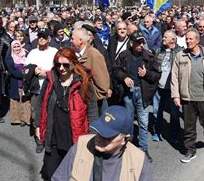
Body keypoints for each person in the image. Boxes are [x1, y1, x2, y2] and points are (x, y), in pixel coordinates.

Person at [45, 105, 156, 181]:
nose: (99, 138)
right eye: (99, 131)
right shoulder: (82, 145)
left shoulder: (139, 160)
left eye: (107, 137)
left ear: (124, 139)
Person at [34, 47, 98, 181]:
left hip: (75, 136)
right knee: (50, 174)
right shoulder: (50, 81)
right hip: (53, 135)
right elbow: (40, 103)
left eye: (65, 65)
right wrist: (37, 125)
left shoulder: (84, 83)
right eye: (58, 65)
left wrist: (92, 134)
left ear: (73, 64)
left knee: (74, 176)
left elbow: (92, 110)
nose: (61, 68)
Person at [171, 28, 204, 163]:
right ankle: (190, 150)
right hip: (188, 98)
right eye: (186, 39)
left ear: (197, 40)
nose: (188, 41)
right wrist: (176, 95)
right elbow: (174, 77)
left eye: (190, 39)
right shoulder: (180, 56)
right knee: (189, 127)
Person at [113, 31, 160, 163]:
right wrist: (124, 77)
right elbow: (115, 70)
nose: (141, 45)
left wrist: (146, 74)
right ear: (131, 43)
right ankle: (127, 148)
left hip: (143, 93)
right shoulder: (124, 55)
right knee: (128, 122)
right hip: (128, 93)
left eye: (142, 42)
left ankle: (143, 149)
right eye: (138, 42)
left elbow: (157, 75)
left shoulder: (149, 56)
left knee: (143, 122)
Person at [25, 28, 58, 153]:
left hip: (51, 87)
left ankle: (49, 137)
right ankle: (39, 139)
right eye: (40, 37)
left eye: (44, 37)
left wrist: (48, 73)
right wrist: (34, 70)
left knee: (51, 112)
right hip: (37, 88)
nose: (41, 39)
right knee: (36, 113)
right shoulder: (33, 52)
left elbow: (60, 66)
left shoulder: (54, 51)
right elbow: (26, 67)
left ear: (49, 39)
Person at [153, 30, 183, 143]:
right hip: (159, 88)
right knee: (157, 111)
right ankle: (157, 131)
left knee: (174, 113)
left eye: (165, 37)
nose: (163, 39)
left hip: (173, 89)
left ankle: (174, 134)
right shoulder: (158, 51)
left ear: (173, 40)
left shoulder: (180, 52)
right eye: (163, 37)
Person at [71, 28, 110, 114]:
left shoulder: (94, 55)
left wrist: (90, 98)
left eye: (73, 38)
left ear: (80, 40)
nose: (70, 40)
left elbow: (102, 84)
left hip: (92, 104)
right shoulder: (74, 54)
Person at [5, 40, 31, 126]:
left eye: (18, 46)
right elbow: (11, 70)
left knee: (25, 100)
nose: (17, 48)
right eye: (14, 47)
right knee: (16, 100)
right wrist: (22, 76)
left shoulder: (26, 54)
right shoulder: (10, 57)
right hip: (15, 81)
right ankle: (17, 119)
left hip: (26, 81)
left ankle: (26, 119)